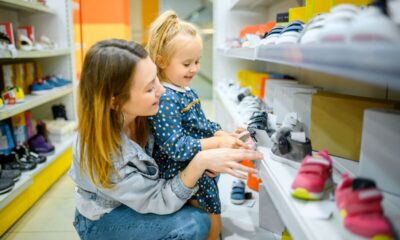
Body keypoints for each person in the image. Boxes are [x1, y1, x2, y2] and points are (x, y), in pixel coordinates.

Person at [69, 39, 262, 240]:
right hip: (106, 218)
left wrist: (220, 139)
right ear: (115, 101)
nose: (162, 91)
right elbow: (158, 199)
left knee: (210, 175)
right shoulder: (103, 154)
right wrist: (200, 162)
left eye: (157, 80)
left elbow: (189, 134)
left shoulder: (145, 112)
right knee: (193, 224)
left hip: (145, 196)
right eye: (149, 88)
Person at [146, 11, 247, 240]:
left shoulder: (186, 89)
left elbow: (202, 124)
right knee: (210, 205)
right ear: (161, 61)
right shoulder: (167, 98)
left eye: (197, 62)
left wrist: (223, 133)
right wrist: (218, 142)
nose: (194, 69)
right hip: (178, 167)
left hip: (194, 158)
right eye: (186, 63)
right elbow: (175, 146)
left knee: (212, 195)